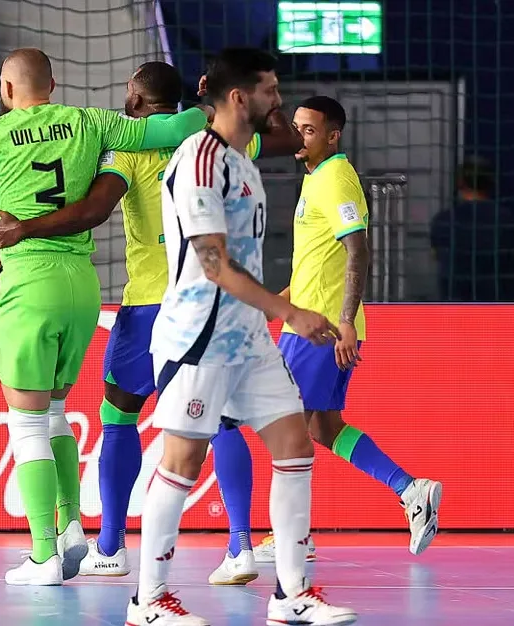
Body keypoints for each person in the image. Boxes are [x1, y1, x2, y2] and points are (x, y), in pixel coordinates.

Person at [0, 60, 304, 583]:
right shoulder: (220, 141)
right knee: (220, 419)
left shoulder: (125, 151)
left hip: (149, 307)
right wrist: (234, 94)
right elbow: (282, 134)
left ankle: (110, 546)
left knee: (118, 415)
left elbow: (91, 211)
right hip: (219, 301)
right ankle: (241, 547)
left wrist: (27, 226)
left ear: (135, 103)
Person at [0, 47, 209, 586]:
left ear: (7, 91)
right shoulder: (92, 123)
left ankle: (43, 556)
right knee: (56, 412)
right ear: (54, 84)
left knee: (27, 421)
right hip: (82, 286)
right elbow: (176, 126)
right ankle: (71, 528)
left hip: (29, 285)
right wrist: (204, 102)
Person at [127, 48, 356, 626]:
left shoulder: (242, 159)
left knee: (295, 447)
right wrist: (290, 311)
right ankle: (147, 601)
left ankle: (292, 593)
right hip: (199, 336)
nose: (278, 101)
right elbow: (212, 261)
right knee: (182, 461)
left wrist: (270, 313)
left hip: (246, 337)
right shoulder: (201, 159)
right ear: (238, 97)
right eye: (270, 90)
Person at [226, 96, 443, 565]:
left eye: (309, 130)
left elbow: (358, 251)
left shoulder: (337, 180)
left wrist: (344, 321)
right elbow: (315, 263)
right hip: (310, 322)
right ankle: (411, 490)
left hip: (321, 330)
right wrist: (276, 305)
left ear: (333, 135)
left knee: (283, 428)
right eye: (298, 127)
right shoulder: (317, 179)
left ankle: (294, 537)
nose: (300, 136)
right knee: (323, 427)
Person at [429, 156, 514, 301]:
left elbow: (435, 255)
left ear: (460, 183)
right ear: (491, 183)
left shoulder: (443, 220)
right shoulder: (507, 220)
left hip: (455, 307)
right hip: (498, 306)